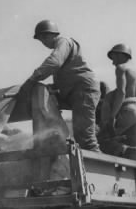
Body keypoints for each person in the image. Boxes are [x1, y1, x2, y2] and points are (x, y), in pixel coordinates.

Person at [20, 20, 101, 152]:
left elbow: (54, 63)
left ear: (48, 35)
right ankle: (58, 136)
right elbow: (65, 75)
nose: (43, 43)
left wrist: (31, 80)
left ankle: (96, 168)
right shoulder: (62, 46)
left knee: (86, 140)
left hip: (83, 90)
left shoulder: (64, 42)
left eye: (43, 39)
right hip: (73, 91)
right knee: (45, 99)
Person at [101, 43, 136, 160]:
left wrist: (112, 116)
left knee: (105, 139)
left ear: (120, 55)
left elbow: (121, 93)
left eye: (114, 58)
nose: (113, 62)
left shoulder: (121, 68)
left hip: (129, 107)